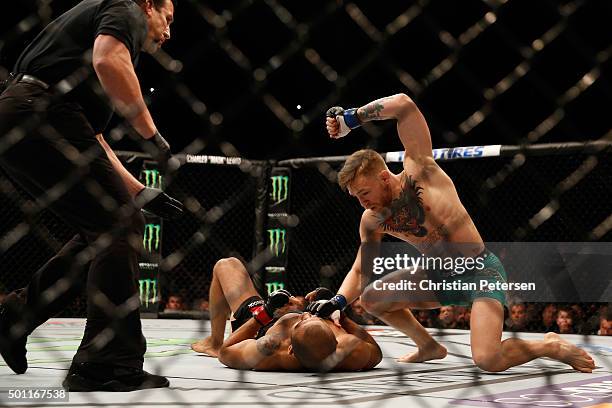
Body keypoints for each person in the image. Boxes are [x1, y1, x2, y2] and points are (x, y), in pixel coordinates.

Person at [312, 93, 595, 373]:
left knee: (488, 360)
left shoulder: (420, 172)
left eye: (364, 193)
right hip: (438, 274)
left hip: (479, 271)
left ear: (383, 177)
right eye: (356, 197)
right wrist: (337, 302)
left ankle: (548, 346)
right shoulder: (373, 220)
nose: (363, 202)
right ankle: (429, 347)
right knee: (373, 297)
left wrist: (353, 117)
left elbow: (403, 105)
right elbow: (363, 270)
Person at [0, 0, 178, 391]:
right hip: (39, 112)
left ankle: (14, 317)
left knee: (105, 228)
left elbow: (94, 140)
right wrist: (152, 136)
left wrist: (140, 192)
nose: (168, 32)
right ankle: (106, 363)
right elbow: (108, 61)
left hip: (25, 114)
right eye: (167, 18)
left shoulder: (97, 47)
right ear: (149, 5)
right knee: (118, 225)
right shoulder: (124, 8)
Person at [191, 257, 382, 371]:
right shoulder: (348, 350)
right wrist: (339, 313)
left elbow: (226, 352)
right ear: (335, 341)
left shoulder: (271, 349)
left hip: (262, 325)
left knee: (226, 264)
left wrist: (264, 314)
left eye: (301, 321)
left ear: (289, 347)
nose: (306, 315)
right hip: (310, 331)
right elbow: (376, 353)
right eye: (314, 318)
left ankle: (212, 342)